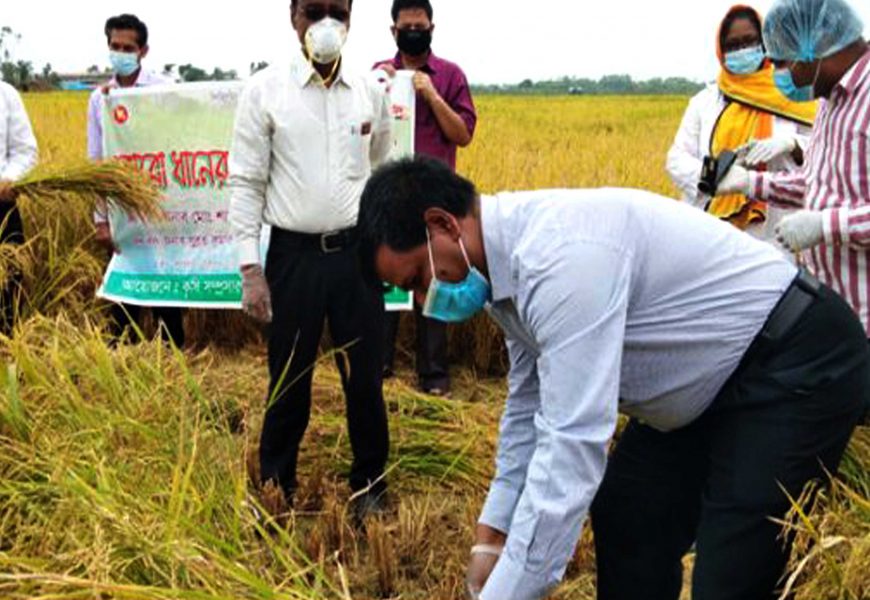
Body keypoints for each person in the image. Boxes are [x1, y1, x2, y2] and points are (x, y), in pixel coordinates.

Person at [356, 157, 870, 600]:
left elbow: (572, 443)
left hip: (791, 361)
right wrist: (491, 536)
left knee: (731, 574)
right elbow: (526, 412)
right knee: (629, 510)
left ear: (442, 224)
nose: (425, 302)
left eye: (419, 279)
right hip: (707, 385)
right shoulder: (501, 279)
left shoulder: (560, 261)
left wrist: (511, 589)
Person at [229, 0, 392, 520]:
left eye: (337, 12)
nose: (325, 24)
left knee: (364, 377)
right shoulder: (265, 91)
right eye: (314, 11)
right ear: (293, 17)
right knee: (289, 375)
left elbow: (382, 164)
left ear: (350, 19)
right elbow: (247, 182)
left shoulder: (369, 92)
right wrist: (250, 270)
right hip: (293, 259)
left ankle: (370, 485)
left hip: (356, 258)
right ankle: (277, 483)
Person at [716, 0, 870, 340]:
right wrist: (751, 183)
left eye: (783, 61)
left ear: (814, 48)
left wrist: (825, 225)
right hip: (835, 311)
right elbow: (820, 182)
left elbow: (829, 214)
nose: (778, 75)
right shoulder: (830, 100)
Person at [375, 0, 477, 396]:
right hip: (390, 199)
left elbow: (463, 134)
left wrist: (431, 95)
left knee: (434, 286)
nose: (413, 31)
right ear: (394, 30)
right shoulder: (377, 75)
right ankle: (379, 368)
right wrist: (379, 89)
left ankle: (433, 377)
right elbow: (358, 129)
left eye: (420, 25)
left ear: (432, 28)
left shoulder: (450, 76)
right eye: (407, 25)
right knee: (387, 283)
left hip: (437, 204)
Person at [667, 4, 815, 243]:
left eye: (749, 42)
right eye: (733, 46)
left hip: (776, 229)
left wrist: (793, 144)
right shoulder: (705, 102)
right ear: (721, 51)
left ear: (766, 44)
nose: (741, 50)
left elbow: (826, 152)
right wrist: (717, 178)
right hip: (712, 230)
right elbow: (676, 159)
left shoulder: (793, 94)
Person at [87, 14, 185, 347]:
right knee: (123, 303)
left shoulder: (164, 91)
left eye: (128, 47)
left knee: (167, 301)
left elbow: (180, 144)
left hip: (160, 211)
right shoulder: (100, 98)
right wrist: (101, 220)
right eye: (115, 46)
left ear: (143, 51)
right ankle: (124, 372)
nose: (121, 52)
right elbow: (97, 164)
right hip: (121, 216)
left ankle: (172, 365)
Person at [0, 80, 38, 334]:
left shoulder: (6, 94)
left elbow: (26, 151)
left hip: (1, 208)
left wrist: (10, 178)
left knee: (7, 285)